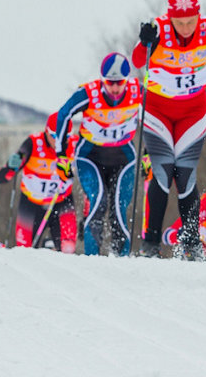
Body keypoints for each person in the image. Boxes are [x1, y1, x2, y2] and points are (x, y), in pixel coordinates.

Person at [134, 0, 206, 260]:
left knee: (185, 174)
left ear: (198, 14)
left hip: (193, 112)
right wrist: (145, 41)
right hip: (157, 111)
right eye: (179, 22)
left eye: (190, 21)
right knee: (162, 172)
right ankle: (150, 244)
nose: (185, 28)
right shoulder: (158, 29)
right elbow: (137, 60)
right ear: (170, 17)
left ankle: (191, 242)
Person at [54, 53, 142, 255]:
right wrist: (61, 155)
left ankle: (121, 257)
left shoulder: (137, 90)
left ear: (127, 80)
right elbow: (63, 114)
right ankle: (92, 257)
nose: (115, 88)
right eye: (110, 83)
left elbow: (154, 117)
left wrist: (147, 153)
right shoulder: (89, 93)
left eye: (119, 83)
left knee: (119, 208)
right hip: (90, 157)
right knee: (99, 200)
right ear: (103, 80)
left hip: (124, 158)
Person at [0, 113, 79, 252]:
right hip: (31, 204)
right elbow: (1, 177)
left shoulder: (75, 145)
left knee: (68, 250)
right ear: (46, 131)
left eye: (65, 137)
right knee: (24, 250)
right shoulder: (33, 143)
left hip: (61, 202)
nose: (59, 142)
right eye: (54, 136)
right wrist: (10, 166)